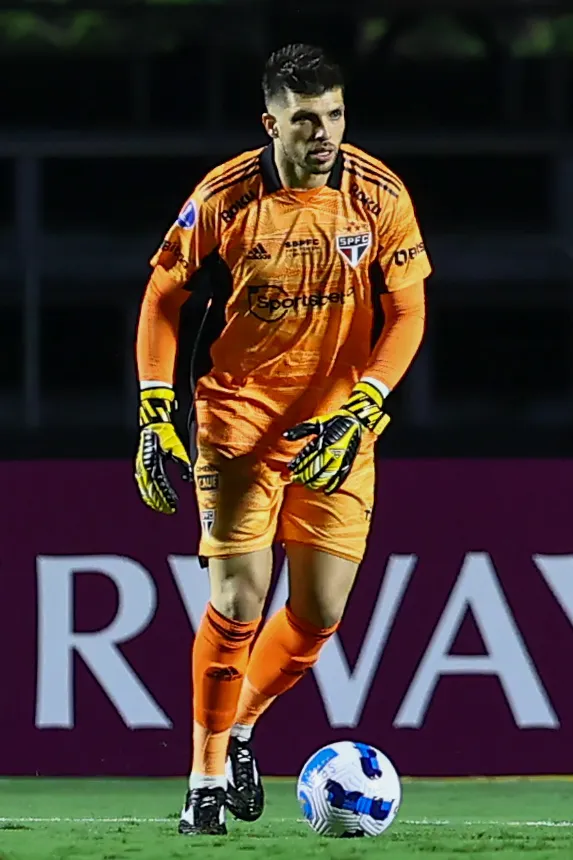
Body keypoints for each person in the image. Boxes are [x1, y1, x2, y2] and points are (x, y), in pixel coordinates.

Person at [134, 42, 430, 836]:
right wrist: (156, 407)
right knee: (236, 599)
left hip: (337, 429)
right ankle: (201, 780)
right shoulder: (226, 197)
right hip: (238, 422)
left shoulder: (376, 194)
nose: (324, 132)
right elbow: (163, 294)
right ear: (271, 122)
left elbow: (406, 311)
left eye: (334, 113)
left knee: (318, 613)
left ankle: (240, 727)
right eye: (306, 119)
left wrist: (366, 400)